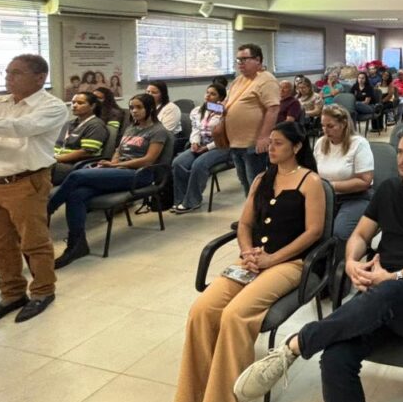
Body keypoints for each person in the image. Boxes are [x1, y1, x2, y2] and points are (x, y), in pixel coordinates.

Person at [232, 128, 403, 402]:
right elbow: (360, 235)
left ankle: (298, 343)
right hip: (379, 301)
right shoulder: (388, 190)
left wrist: (394, 276)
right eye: (400, 152)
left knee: (388, 292)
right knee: (335, 359)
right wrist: (354, 262)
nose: (402, 159)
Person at [170, 121, 325, 402]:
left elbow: (313, 233)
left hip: (289, 263)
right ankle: (195, 398)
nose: (270, 148)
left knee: (236, 315)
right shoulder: (261, 179)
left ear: (297, 147)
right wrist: (247, 252)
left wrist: (272, 259)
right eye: (270, 142)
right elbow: (244, 223)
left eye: (278, 143)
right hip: (252, 260)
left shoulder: (310, 181)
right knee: (201, 310)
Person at [0, 54, 67, 326]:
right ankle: (12, 294)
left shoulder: (53, 106)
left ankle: (42, 291)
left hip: (25, 182)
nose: (8, 78)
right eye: (7, 72)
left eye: (16, 73)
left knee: (34, 242)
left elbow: (20, 128)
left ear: (40, 78)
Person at [47, 93, 171, 267]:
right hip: (119, 171)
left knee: (76, 175)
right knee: (76, 195)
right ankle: (77, 245)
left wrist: (116, 166)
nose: (134, 111)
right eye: (132, 107)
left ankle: (48, 208)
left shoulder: (158, 131)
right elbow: (118, 150)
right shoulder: (131, 128)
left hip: (139, 175)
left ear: (150, 108)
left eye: (139, 107)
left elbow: (148, 160)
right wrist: (112, 163)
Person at [224, 44, 280, 192]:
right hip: (235, 142)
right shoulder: (238, 80)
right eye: (238, 60)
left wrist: (264, 137)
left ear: (258, 60)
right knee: (245, 182)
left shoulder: (267, 80)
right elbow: (228, 103)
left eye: (244, 59)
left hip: (253, 144)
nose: (240, 63)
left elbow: (273, 109)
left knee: (256, 184)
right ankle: (250, 207)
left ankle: (259, 207)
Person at [315, 104, 374, 242]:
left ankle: (342, 256)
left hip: (356, 197)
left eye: (330, 126)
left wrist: (330, 186)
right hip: (327, 197)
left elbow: (365, 181)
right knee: (309, 227)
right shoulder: (320, 143)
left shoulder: (359, 144)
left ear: (343, 124)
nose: (325, 130)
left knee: (339, 232)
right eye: (323, 126)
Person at [171, 84, 231, 213]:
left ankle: (193, 201)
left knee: (199, 164)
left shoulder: (225, 112)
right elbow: (196, 129)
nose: (208, 96)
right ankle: (180, 199)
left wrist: (207, 148)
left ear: (221, 98)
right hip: (201, 144)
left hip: (221, 146)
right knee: (178, 162)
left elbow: (227, 136)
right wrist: (195, 142)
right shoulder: (198, 110)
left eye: (213, 94)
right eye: (207, 92)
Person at [52, 92, 109, 185]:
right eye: (73, 102)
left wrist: (57, 159)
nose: (74, 106)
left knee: (38, 168)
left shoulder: (96, 125)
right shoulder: (69, 124)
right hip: (58, 161)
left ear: (92, 106)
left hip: (75, 165)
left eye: (80, 103)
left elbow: (85, 152)